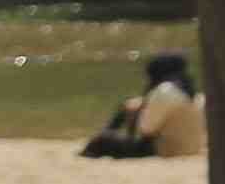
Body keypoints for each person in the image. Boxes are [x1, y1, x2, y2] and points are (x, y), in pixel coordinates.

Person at [77, 50, 205, 159]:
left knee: (102, 141)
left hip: (167, 151)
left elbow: (145, 129)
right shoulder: (193, 94)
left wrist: (135, 112)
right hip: (191, 149)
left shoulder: (163, 91)